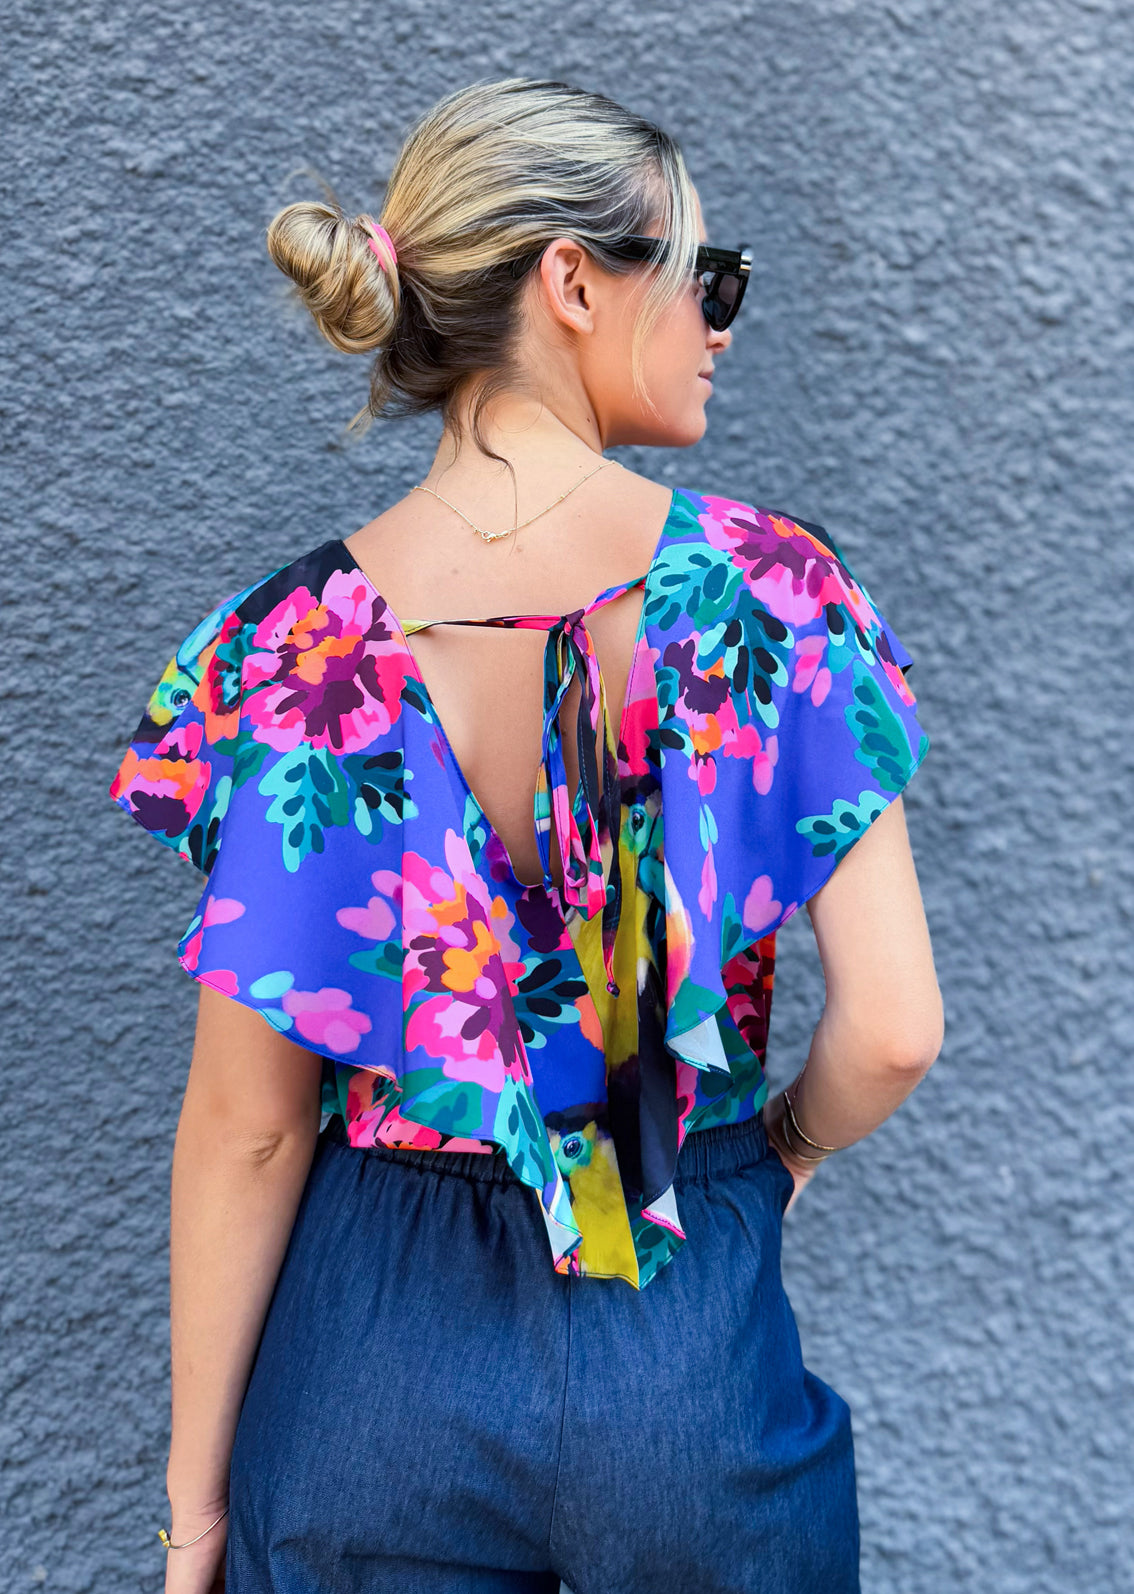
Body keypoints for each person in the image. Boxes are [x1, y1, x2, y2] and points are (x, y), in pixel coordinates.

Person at [109, 77, 943, 1594]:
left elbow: (248, 1126)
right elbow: (891, 1030)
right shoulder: (765, 593)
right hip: (675, 1311)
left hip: (369, 1361)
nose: (721, 323)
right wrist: (773, 1160)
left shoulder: (293, 646)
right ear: (572, 281)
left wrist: (194, 1512)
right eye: (706, 276)